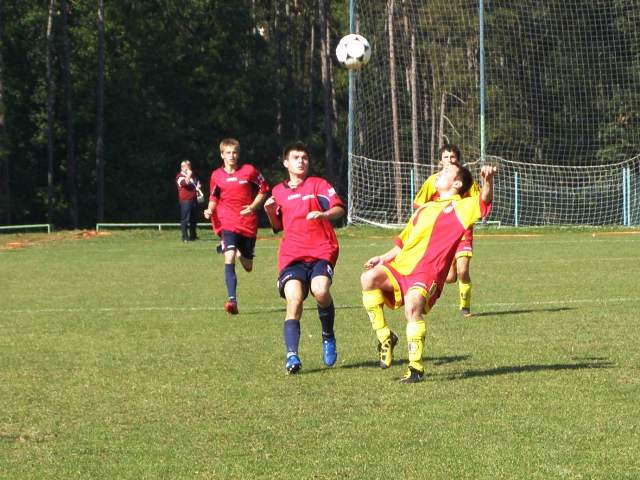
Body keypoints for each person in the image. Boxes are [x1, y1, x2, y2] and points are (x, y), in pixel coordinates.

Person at [361, 163, 496, 383]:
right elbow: (403, 242)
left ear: (457, 183)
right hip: (402, 266)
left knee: (413, 303)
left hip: (427, 272)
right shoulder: (424, 208)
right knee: (368, 278)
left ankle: (415, 368)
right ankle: (385, 337)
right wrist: (383, 258)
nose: (439, 173)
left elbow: (484, 200)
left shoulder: (461, 207)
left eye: (446, 172)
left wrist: (487, 180)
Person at [264, 141, 346, 375]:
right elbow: (277, 226)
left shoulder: (318, 185)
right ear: (286, 163)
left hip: (321, 250)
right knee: (295, 300)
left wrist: (324, 214)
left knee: (320, 291)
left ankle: (328, 335)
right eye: (296, 157)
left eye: (304, 158)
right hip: (292, 256)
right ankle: (292, 355)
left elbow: (339, 209)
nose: (301, 161)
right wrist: (269, 212)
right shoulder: (278, 192)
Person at [412, 144, 481, 317]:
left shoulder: (465, 180)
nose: (449, 160)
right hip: (442, 235)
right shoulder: (434, 181)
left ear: (458, 160)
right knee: (449, 277)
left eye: (452, 157)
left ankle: (465, 307)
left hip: (462, 231)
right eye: (445, 157)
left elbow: (478, 201)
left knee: (463, 270)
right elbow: (419, 204)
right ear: (440, 161)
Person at [203, 138, 269, 315]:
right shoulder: (216, 176)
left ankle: (240, 252)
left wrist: (253, 207)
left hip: (247, 223)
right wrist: (209, 210)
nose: (231, 156)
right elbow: (214, 197)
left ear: (238, 154)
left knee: (248, 266)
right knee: (229, 255)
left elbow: (264, 189)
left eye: (234, 153)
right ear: (222, 155)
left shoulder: (249, 171)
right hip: (227, 221)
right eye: (228, 153)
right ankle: (232, 300)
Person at [176, 160, 202, 242]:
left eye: (189, 166)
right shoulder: (179, 176)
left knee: (193, 219)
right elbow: (185, 183)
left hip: (194, 199)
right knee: (185, 219)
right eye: (186, 166)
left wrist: (198, 186)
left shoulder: (193, 176)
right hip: (185, 200)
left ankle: (193, 235)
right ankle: (184, 237)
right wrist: (188, 175)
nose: (188, 168)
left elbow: (196, 183)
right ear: (182, 168)